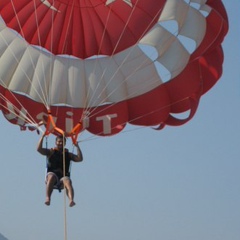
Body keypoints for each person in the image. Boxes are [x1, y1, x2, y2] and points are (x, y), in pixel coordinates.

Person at [37, 134, 83, 207]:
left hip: (63, 178)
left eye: (62, 142)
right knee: (51, 176)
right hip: (52, 176)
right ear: (56, 142)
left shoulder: (68, 154)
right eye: (59, 141)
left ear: (64, 143)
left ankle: (71, 200)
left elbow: (79, 159)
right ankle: (48, 198)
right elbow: (39, 149)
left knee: (67, 181)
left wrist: (77, 146)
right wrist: (42, 137)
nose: (60, 143)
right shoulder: (51, 151)